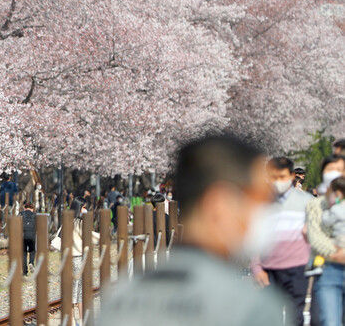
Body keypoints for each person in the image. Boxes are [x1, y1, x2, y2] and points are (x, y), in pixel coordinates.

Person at [97, 133, 285, 326]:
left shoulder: (119, 298)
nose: (265, 214)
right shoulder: (249, 307)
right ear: (220, 205)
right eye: (260, 201)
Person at [249, 156, 312, 326]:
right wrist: (256, 267)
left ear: (292, 176)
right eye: (274, 177)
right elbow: (254, 239)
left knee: (295, 316)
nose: (278, 182)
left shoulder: (306, 201)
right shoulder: (261, 203)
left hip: (298, 268)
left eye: (282, 177)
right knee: (270, 316)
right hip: (269, 269)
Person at [306, 155, 345, 326]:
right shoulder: (315, 205)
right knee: (330, 322)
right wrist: (337, 253)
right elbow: (315, 236)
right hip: (328, 270)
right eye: (331, 169)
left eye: (340, 169)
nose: (335, 173)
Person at [21, 202, 37, 274]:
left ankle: (25, 271)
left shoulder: (21, 214)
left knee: (24, 253)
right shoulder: (34, 215)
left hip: (23, 235)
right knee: (32, 251)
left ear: (25, 208)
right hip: (32, 235)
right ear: (32, 209)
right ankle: (31, 263)